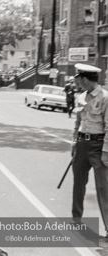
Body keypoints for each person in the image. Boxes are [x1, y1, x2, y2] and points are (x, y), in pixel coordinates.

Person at [71, 63, 108, 239]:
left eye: (79, 79)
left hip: (98, 146)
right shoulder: (81, 97)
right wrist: (74, 143)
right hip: (82, 144)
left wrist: (106, 152)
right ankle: (76, 220)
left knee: (104, 188)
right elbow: (78, 123)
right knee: (78, 183)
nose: (78, 82)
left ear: (85, 79)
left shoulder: (105, 98)